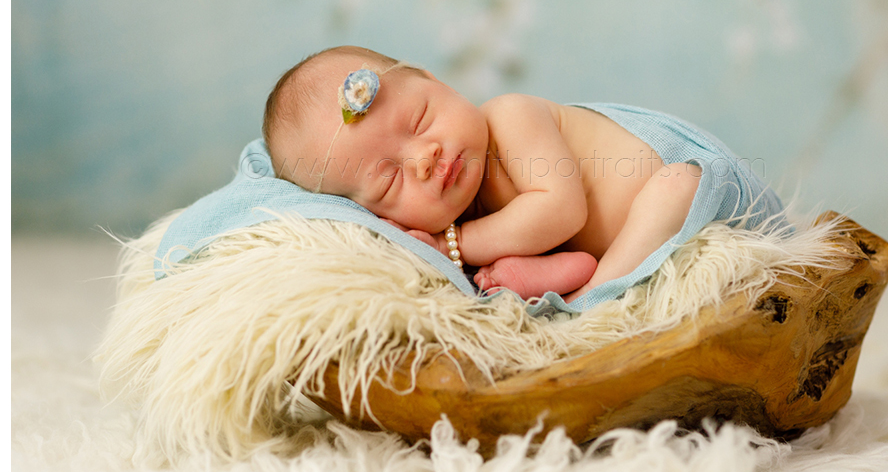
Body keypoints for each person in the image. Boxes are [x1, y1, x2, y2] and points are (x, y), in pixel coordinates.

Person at [262, 46, 781, 302]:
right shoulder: (469, 223)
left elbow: (561, 211)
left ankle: (589, 306)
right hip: (627, 256)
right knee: (536, 272)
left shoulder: (510, 118)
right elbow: (566, 245)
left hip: (715, 206)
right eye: (389, 180)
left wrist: (452, 244)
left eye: (420, 120)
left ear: (436, 82)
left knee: (677, 185)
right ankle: (580, 288)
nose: (423, 158)